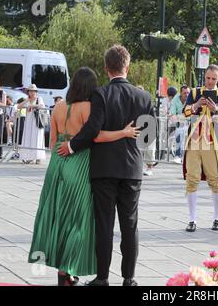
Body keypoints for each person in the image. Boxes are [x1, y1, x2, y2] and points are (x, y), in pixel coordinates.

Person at [28, 67, 140, 286]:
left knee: (57, 216)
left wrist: (62, 152)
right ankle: (69, 268)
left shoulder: (59, 106)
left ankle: (63, 272)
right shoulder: (88, 107)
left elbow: (53, 143)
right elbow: (95, 136)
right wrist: (124, 133)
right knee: (76, 220)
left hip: (57, 165)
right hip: (79, 163)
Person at [57, 45, 155, 286]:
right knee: (130, 225)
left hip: (103, 169)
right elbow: (149, 137)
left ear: (106, 68)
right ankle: (129, 278)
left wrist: (71, 146)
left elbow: (92, 129)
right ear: (127, 66)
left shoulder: (100, 95)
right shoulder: (144, 97)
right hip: (132, 169)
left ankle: (102, 278)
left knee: (104, 224)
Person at [182, 64, 218, 232]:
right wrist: (195, 105)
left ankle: (217, 218)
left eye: (214, 79)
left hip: (212, 142)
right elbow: (185, 112)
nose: (210, 82)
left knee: (215, 180)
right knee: (191, 179)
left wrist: (215, 110)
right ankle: (192, 220)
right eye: (208, 78)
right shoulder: (195, 93)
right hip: (194, 141)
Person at [17, 84, 46, 164]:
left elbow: (42, 105)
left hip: (37, 121)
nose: (32, 93)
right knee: (29, 138)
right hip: (29, 122)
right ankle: (30, 157)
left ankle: (38, 157)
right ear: (28, 92)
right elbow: (18, 106)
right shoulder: (27, 100)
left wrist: (32, 106)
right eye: (30, 91)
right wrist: (27, 101)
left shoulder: (39, 98)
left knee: (37, 138)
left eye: (34, 91)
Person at [169, 85, 190, 163]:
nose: (187, 95)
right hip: (180, 123)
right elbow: (172, 114)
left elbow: (191, 114)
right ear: (180, 93)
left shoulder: (191, 99)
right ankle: (178, 155)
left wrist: (179, 117)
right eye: (185, 93)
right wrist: (180, 117)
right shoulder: (175, 99)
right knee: (179, 133)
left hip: (191, 122)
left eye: (188, 93)